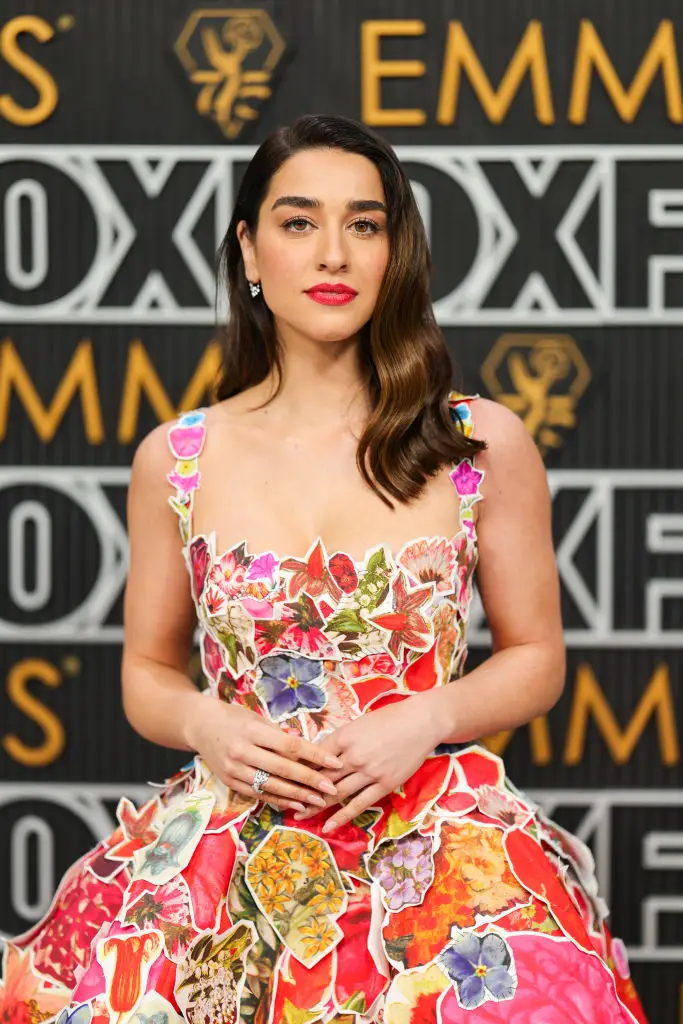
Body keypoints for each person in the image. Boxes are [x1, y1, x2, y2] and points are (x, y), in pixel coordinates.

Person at [0, 115, 647, 1024]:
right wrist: (205, 723)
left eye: (365, 224)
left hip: (433, 858)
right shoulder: (177, 457)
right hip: (224, 862)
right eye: (299, 222)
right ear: (250, 252)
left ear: (395, 253)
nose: (333, 253)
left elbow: (536, 656)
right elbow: (144, 674)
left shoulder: (478, 443)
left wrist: (427, 718)